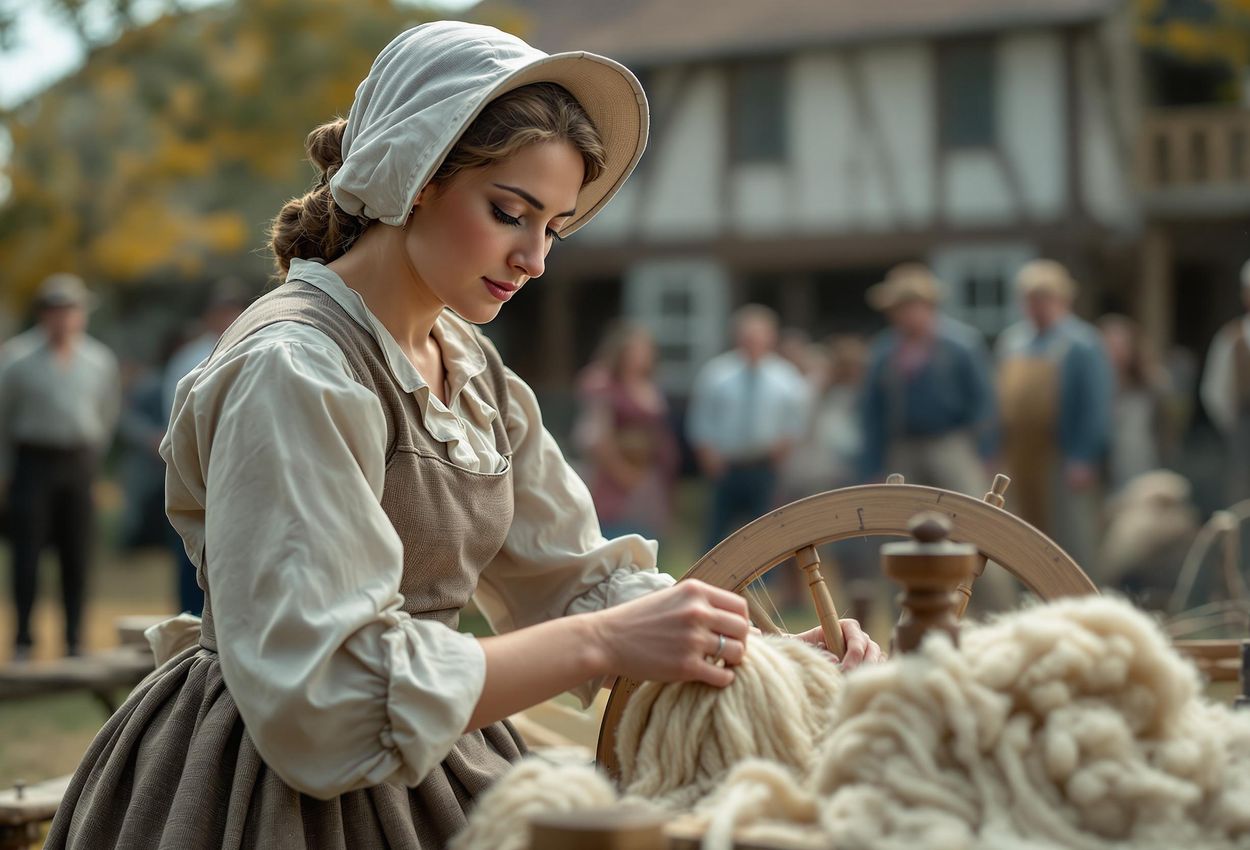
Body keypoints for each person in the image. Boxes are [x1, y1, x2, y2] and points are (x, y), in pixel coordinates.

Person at [46, 23, 879, 850]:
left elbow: (573, 577)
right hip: (266, 791)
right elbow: (324, 697)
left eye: (552, 227)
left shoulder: (470, 370)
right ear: (414, 180)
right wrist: (603, 642)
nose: (534, 260)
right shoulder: (294, 368)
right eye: (509, 213)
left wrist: (769, 661)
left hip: (438, 755)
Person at [0, 273, 121, 661]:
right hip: (32, 460)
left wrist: (93, 465)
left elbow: (106, 414)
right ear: (43, 315)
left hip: (79, 461)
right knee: (28, 552)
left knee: (77, 553)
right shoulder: (16, 360)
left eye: (70, 310)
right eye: (56, 311)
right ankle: (23, 638)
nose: (64, 319)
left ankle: (74, 638)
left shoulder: (98, 360)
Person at [996, 260, 1114, 572]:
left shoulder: (1082, 343)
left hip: (1062, 455)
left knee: (1071, 539)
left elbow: (1096, 404)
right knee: (1022, 537)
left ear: (1063, 299)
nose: (1038, 307)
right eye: (1031, 299)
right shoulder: (1013, 342)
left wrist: (1083, 456)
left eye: (1045, 298)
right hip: (1021, 455)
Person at [857, 263, 996, 496]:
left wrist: (986, 450)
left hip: (951, 443)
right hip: (902, 446)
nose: (906, 314)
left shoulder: (961, 345)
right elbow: (872, 410)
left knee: (966, 513)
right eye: (899, 308)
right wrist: (872, 464)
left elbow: (983, 400)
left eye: (912, 306)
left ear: (929, 306)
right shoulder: (884, 351)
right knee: (901, 516)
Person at [686, 304, 811, 553]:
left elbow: (795, 423)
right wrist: (708, 456)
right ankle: (711, 586)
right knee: (716, 536)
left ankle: (763, 589)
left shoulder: (785, 377)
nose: (752, 342)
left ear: (770, 337)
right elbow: (701, 420)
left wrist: (781, 452)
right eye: (747, 336)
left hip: (764, 467)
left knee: (765, 535)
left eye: (758, 335)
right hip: (726, 466)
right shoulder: (716, 373)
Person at [161, 278, 251, 615]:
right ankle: (189, 619)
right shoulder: (190, 357)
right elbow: (174, 417)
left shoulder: (255, 347)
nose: (226, 319)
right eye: (220, 312)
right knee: (192, 546)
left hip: (240, 464)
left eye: (232, 311)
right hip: (197, 461)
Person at [575, 322, 678, 540]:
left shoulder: (650, 386)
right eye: (634, 351)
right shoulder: (603, 383)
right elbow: (596, 438)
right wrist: (623, 473)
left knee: (647, 539)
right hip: (614, 477)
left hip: (649, 477)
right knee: (614, 538)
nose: (640, 357)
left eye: (645, 351)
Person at [1098, 313, 1168, 493]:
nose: (1115, 352)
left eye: (1120, 345)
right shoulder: (1095, 384)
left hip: (1139, 459)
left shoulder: (1149, 383)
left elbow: (1163, 428)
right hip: (1102, 465)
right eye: (1109, 345)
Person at [1199, 259, 1250, 505]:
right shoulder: (1232, 337)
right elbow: (1215, 392)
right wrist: (1235, 425)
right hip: (1243, 427)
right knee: (1241, 497)